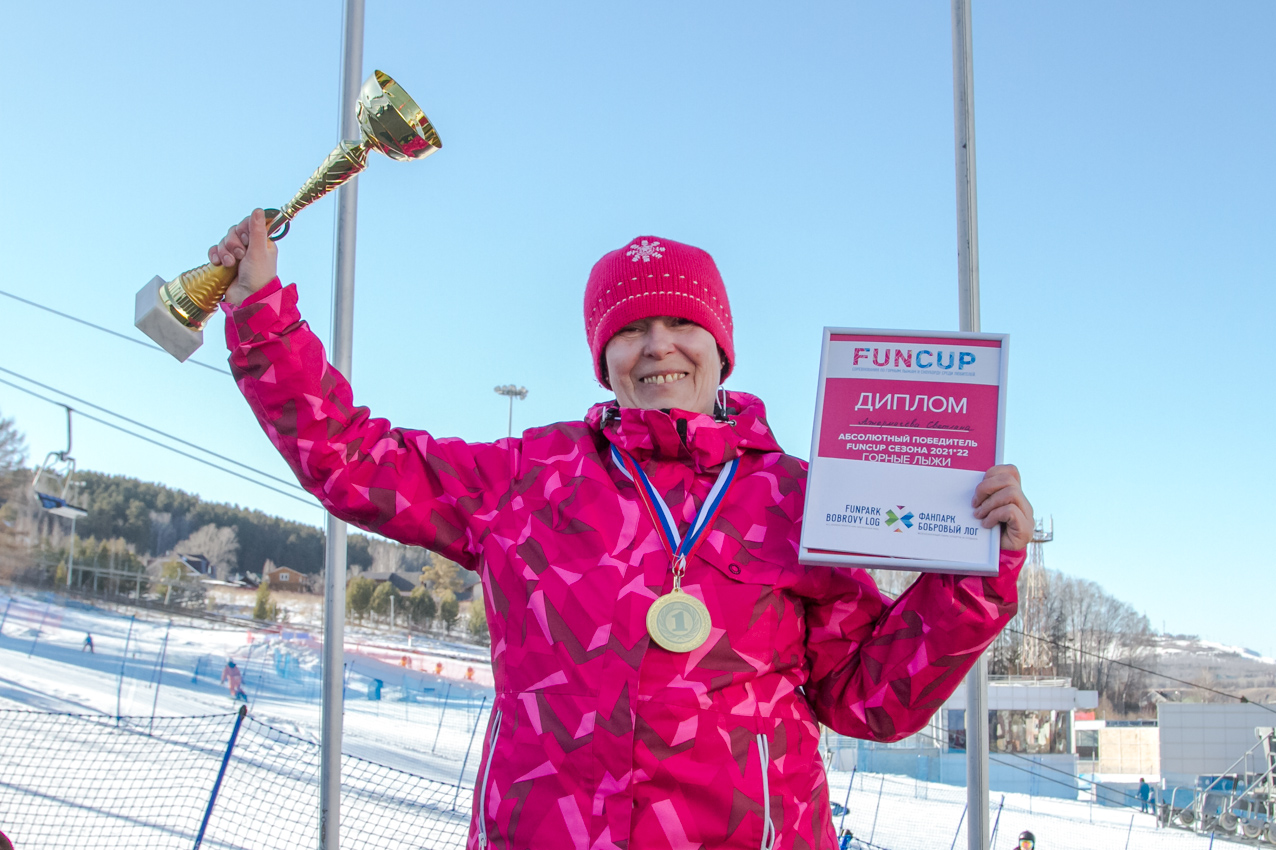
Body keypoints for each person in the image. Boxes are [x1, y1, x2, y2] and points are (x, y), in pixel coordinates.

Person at [210, 212, 1033, 850]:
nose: (658, 347)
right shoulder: (529, 478)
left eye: (682, 324)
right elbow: (354, 460)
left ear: (721, 348)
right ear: (604, 359)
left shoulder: (799, 499)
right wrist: (259, 311)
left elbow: (869, 700)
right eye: (631, 330)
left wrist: (974, 574)